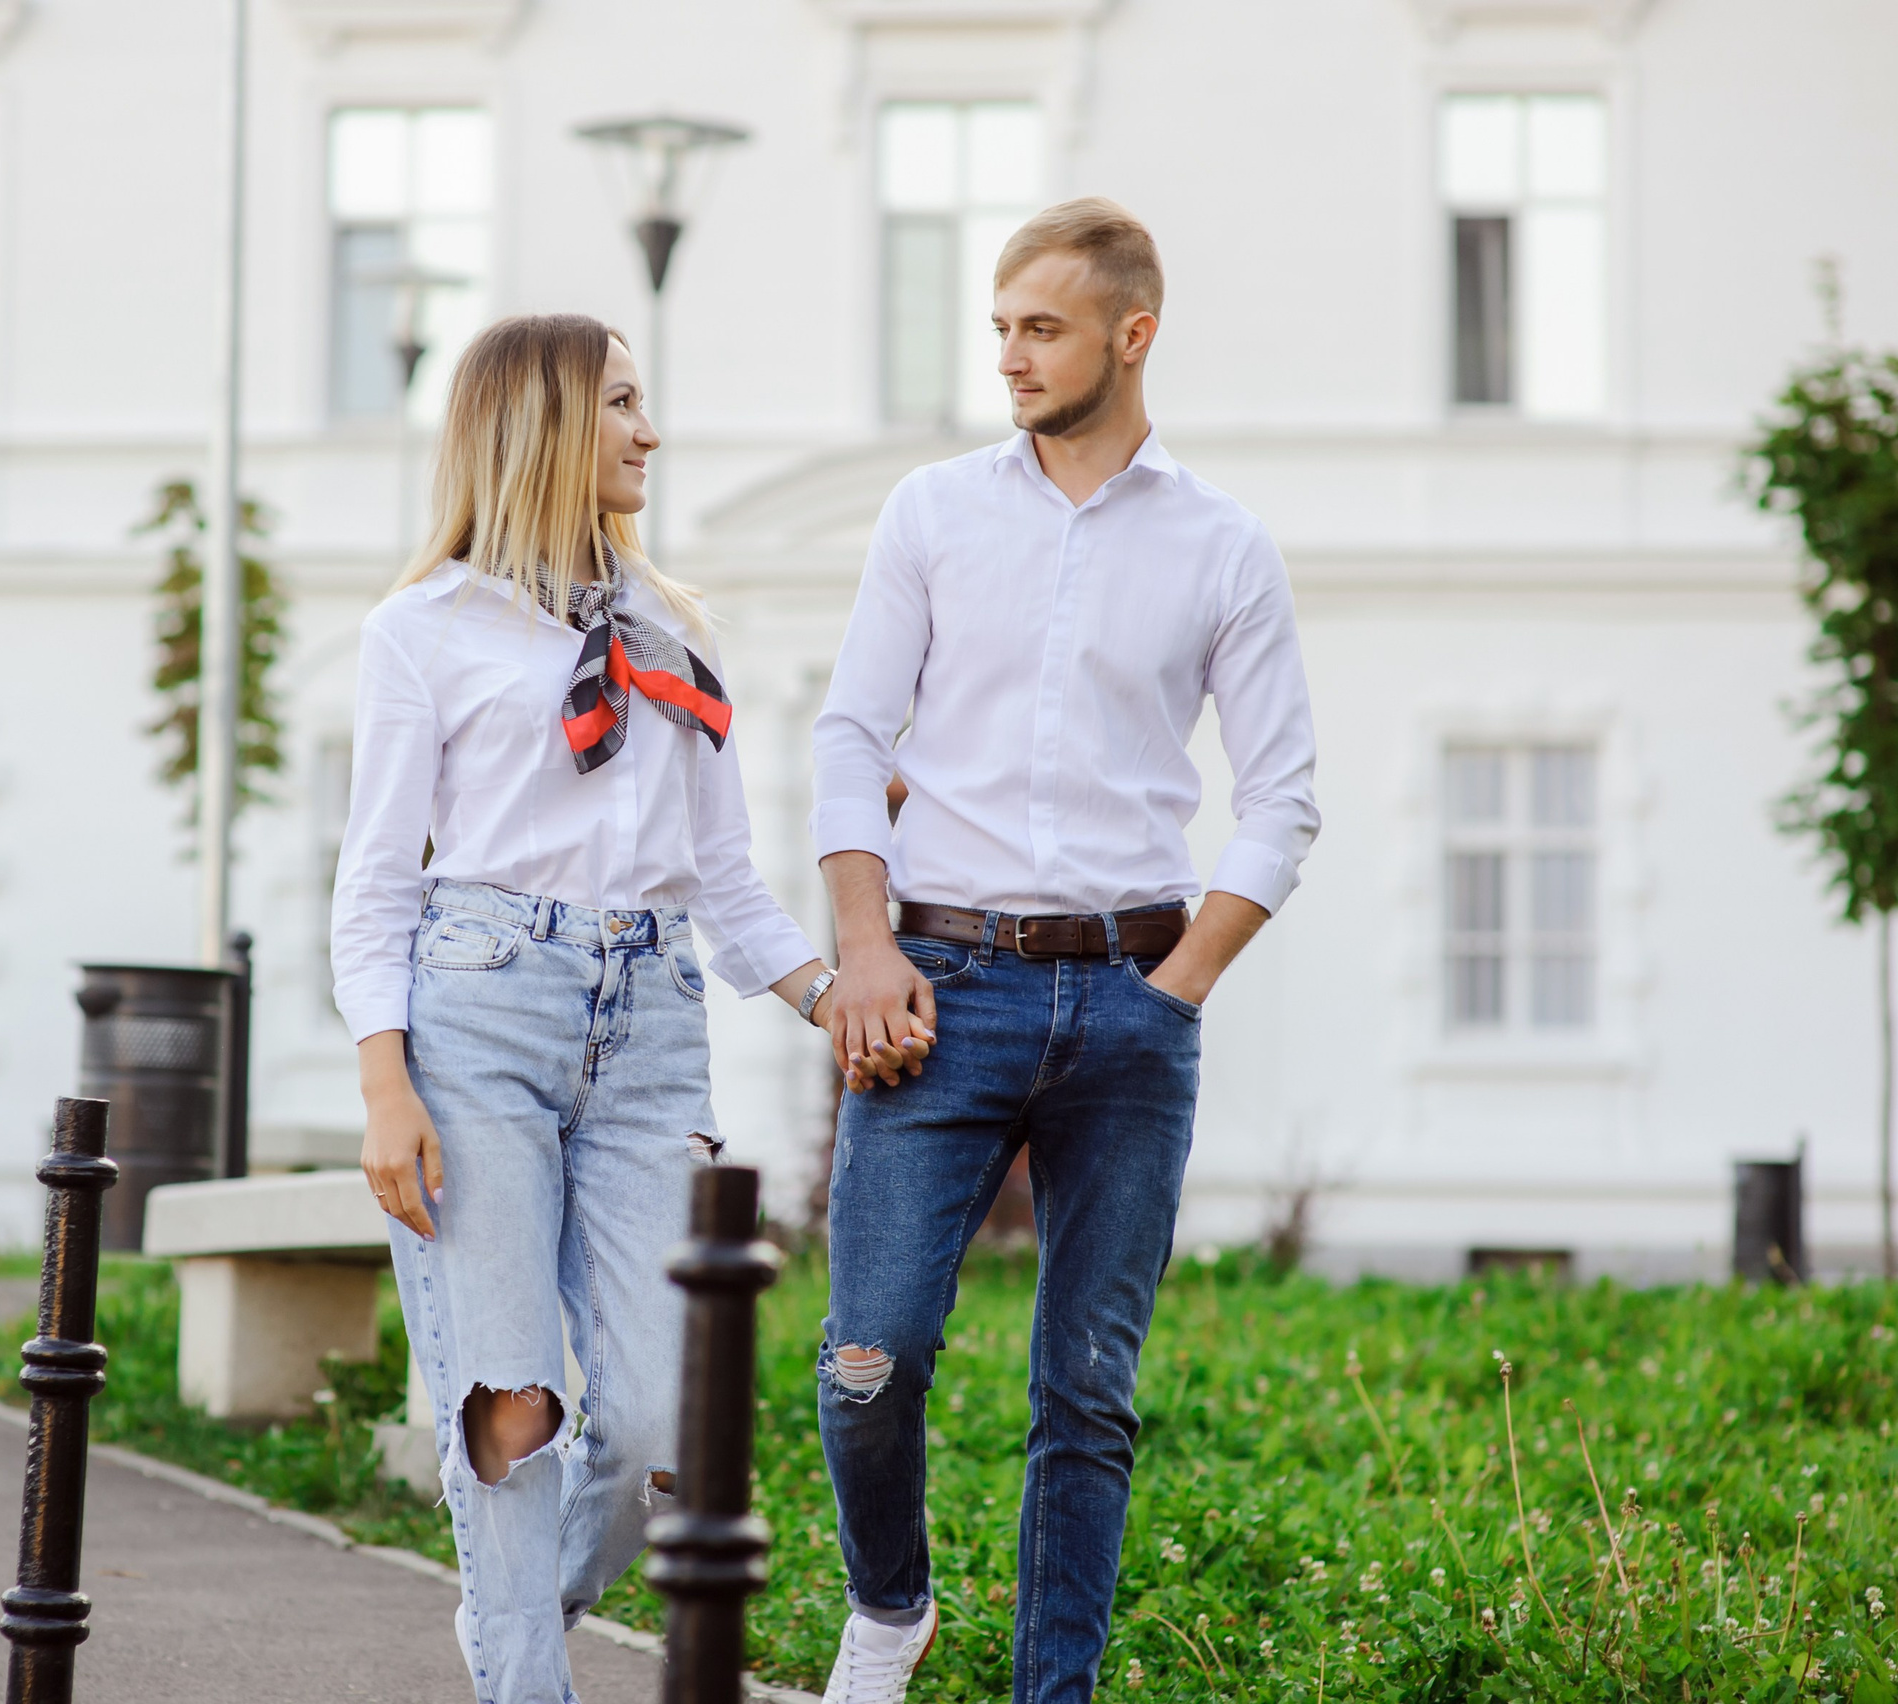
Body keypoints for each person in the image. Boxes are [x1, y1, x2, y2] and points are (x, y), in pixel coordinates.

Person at [805, 199, 1321, 1703]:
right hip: (936, 989)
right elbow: (850, 735)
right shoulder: (932, 513)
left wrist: (1176, 995)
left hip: (1130, 1003)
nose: (1012, 357)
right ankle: (890, 1603)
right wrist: (862, 946)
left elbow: (1282, 798)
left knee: (1086, 1394)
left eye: (1042, 328)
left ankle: (1056, 1693)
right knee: (867, 1362)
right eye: (1002, 328)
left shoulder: (1224, 545)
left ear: (1131, 335)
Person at [330, 313, 879, 1704]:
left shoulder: (675, 638)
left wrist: (837, 996)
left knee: (651, 1424)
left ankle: (509, 1618)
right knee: (512, 1403)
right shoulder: (422, 632)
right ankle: (526, 1675)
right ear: (543, 427)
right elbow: (379, 877)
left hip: (652, 1022)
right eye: (623, 404)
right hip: (477, 1014)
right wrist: (383, 1082)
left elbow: (727, 887)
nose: (650, 431)